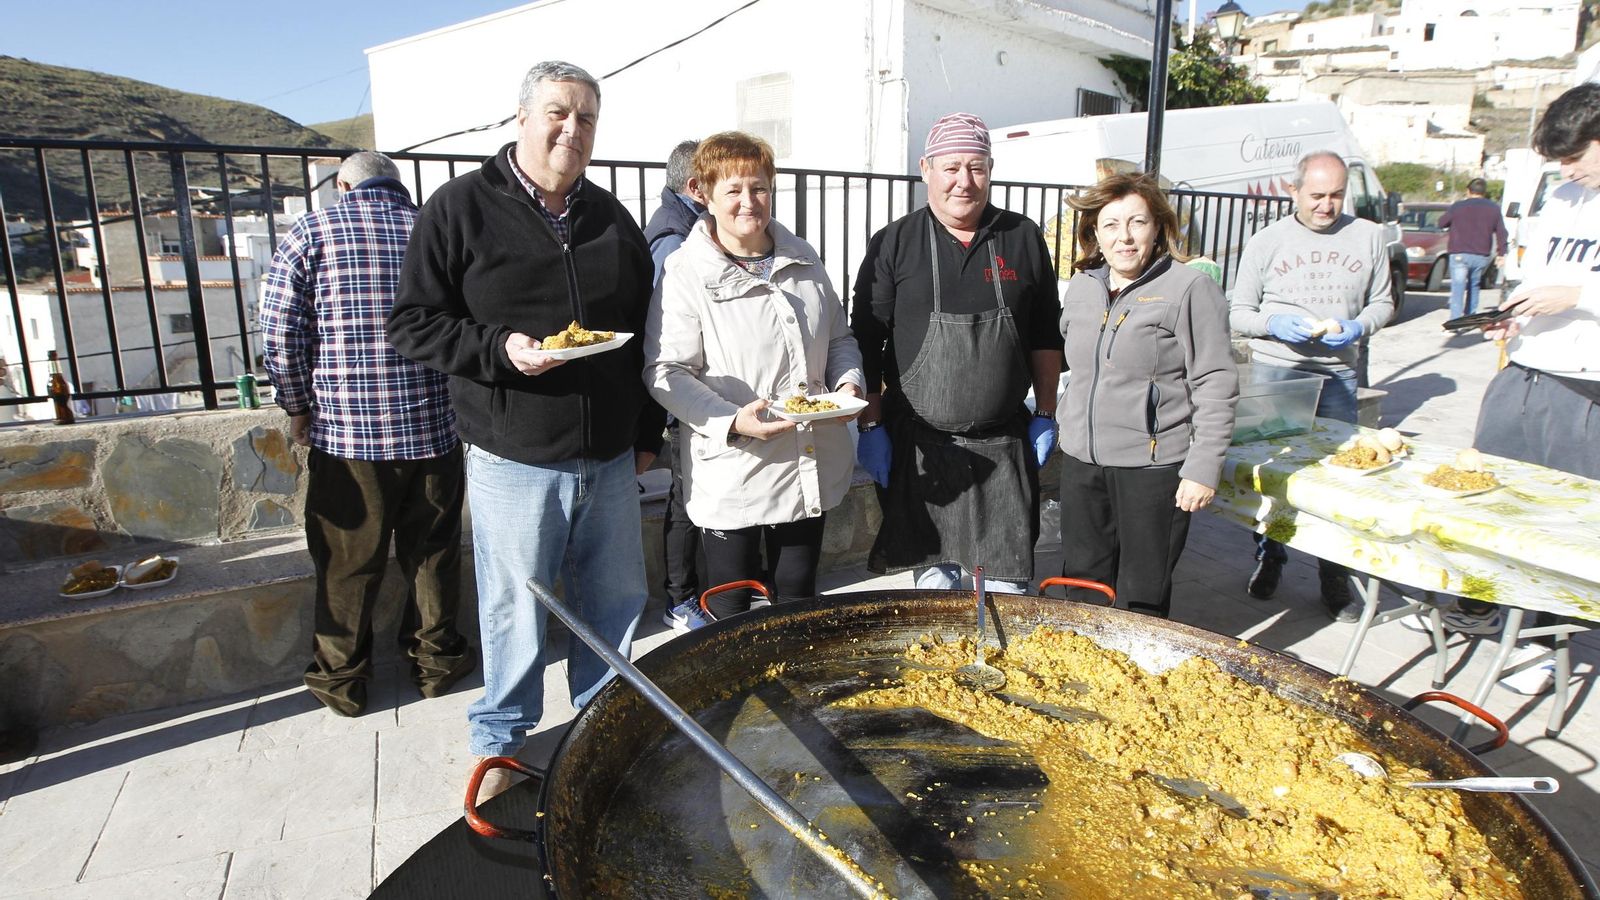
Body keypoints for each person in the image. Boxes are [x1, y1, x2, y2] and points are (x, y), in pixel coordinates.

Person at [387, 61, 663, 800]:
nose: (571, 129)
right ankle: (501, 746)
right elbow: (412, 322)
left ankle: (602, 727)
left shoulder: (610, 217)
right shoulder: (459, 208)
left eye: (586, 118)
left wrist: (650, 432)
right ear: (521, 118)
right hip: (513, 453)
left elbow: (645, 334)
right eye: (557, 113)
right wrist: (498, 349)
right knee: (514, 610)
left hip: (607, 455)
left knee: (613, 603)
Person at [259, 150, 474, 717]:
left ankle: (343, 685)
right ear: (398, 186)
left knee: (347, 562)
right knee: (432, 555)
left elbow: (280, 331)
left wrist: (297, 405)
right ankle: (435, 667)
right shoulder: (435, 229)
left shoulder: (313, 229)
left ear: (345, 183)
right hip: (435, 428)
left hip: (346, 436)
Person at [645, 131, 865, 626]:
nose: (749, 202)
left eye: (760, 188)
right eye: (734, 190)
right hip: (734, 468)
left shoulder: (804, 258)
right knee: (731, 609)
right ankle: (739, 703)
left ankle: (797, 701)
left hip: (806, 461)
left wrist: (848, 383)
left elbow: (839, 339)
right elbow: (665, 372)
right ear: (704, 192)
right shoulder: (686, 271)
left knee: (797, 598)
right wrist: (731, 420)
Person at [851, 113, 1063, 594]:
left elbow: (1045, 335)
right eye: (951, 168)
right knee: (934, 589)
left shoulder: (1023, 237)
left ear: (991, 169)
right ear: (926, 168)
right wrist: (870, 425)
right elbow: (865, 339)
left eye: (977, 167)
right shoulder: (894, 242)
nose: (964, 182)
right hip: (919, 449)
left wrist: (1045, 413)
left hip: (1005, 447)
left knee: (1006, 596)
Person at [1433, 83, 1600, 694]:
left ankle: (1546, 641)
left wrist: (1579, 297)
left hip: (1588, 393)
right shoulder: (1563, 196)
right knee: (1488, 502)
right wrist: (1514, 314)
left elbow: (1572, 288)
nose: (1568, 169)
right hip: (1525, 370)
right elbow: (1539, 276)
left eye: (1577, 156)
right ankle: (1477, 608)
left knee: (1565, 528)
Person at [1055, 174, 1238, 617]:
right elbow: (1076, 364)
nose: (1125, 236)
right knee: (1082, 580)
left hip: (1152, 467)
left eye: (1137, 222)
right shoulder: (1082, 286)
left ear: (1158, 226)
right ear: (1094, 232)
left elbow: (1216, 381)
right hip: (1082, 461)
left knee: (1142, 589)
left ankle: (1137, 676)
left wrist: (1203, 467)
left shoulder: (1189, 289)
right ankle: (1085, 671)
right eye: (1111, 224)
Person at [1229, 150, 1395, 622]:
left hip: (1339, 375)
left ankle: (1334, 577)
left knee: (1340, 479)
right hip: (1277, 372)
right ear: (1294, 190)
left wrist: (1360, 327)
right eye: (1317, 195)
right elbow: (1239, 311)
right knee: (1273, 476)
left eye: (1337, 195)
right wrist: (1273, 323)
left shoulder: (1368, 237)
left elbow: (1384, 302)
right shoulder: (1267, 240)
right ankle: (1270, 557)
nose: (1327, 205)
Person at [644, 139, 707, 630]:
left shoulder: (686, 228)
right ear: (694, 186)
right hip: (683, 393)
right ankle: (680, 600)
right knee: (687, 498)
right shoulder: (674, 239)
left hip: (695, 390)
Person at [1439, 177, 1508, 320]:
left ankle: (1454, 322)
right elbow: (1501, 232)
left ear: (1468, 191)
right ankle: (1470, 318)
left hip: (1459, 253)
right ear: (1484, 192)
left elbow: (1441, 223)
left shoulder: (1458, 206)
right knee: (1474, 286)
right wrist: (1501, 253)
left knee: (1458, 287)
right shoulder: (1493, 208)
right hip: (1480, 254)